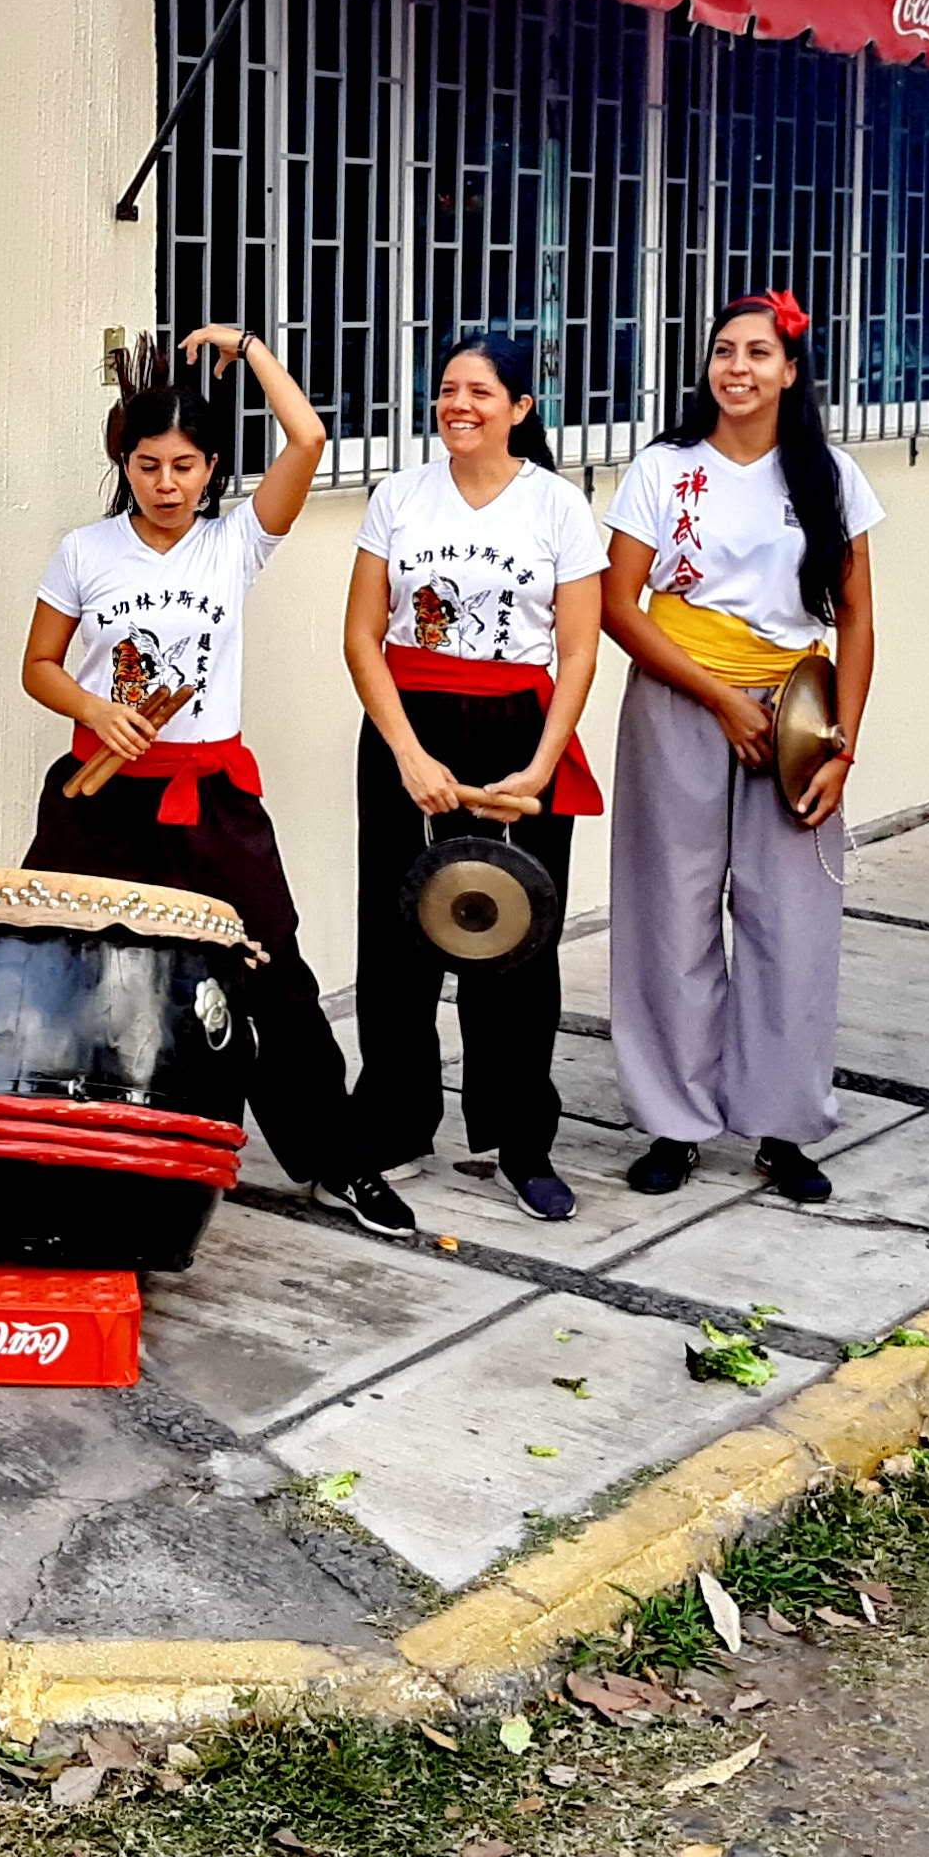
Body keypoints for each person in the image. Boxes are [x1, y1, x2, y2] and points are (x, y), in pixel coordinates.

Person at [21, 329, 396, 1235]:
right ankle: (44, 1143)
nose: (166, 484)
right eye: (149, 464)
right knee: (59, 963)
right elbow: (38, 665)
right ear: (128, 463)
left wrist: (252, 349)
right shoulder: (86, 552)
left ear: (211, 467)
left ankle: (336, 1161)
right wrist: (93, 705)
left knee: (274, 973)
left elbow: (305, 440)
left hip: (211, 798)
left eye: (185, 465)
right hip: (98, 794)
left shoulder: (237, 545)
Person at [599, 292, 880, 1205]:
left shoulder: (831, 477)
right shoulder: (663, 468)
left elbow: (859, 617)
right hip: (683, 699)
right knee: (668, 913)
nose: (738, 369)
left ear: (791, 372)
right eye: (724, 351)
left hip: (797, 712)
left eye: (759, 353)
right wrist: (717, 698)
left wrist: (842, 745)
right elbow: (615, 603)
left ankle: (783, 1124)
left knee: (791, 921)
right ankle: (674, 1122)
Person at [343, 336, 606, 1223]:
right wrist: (409, 754)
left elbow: (577, 649)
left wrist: (539, 763)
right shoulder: (399, 496)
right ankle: (396, 1118)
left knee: (515, 940)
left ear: (520, 408)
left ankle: (519, 1136)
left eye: (480, 392)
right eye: (448, 389)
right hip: (408, 724)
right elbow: (362, 638)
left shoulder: (557, 507)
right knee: (396, 933)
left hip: (517, 730)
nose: (459, 404)